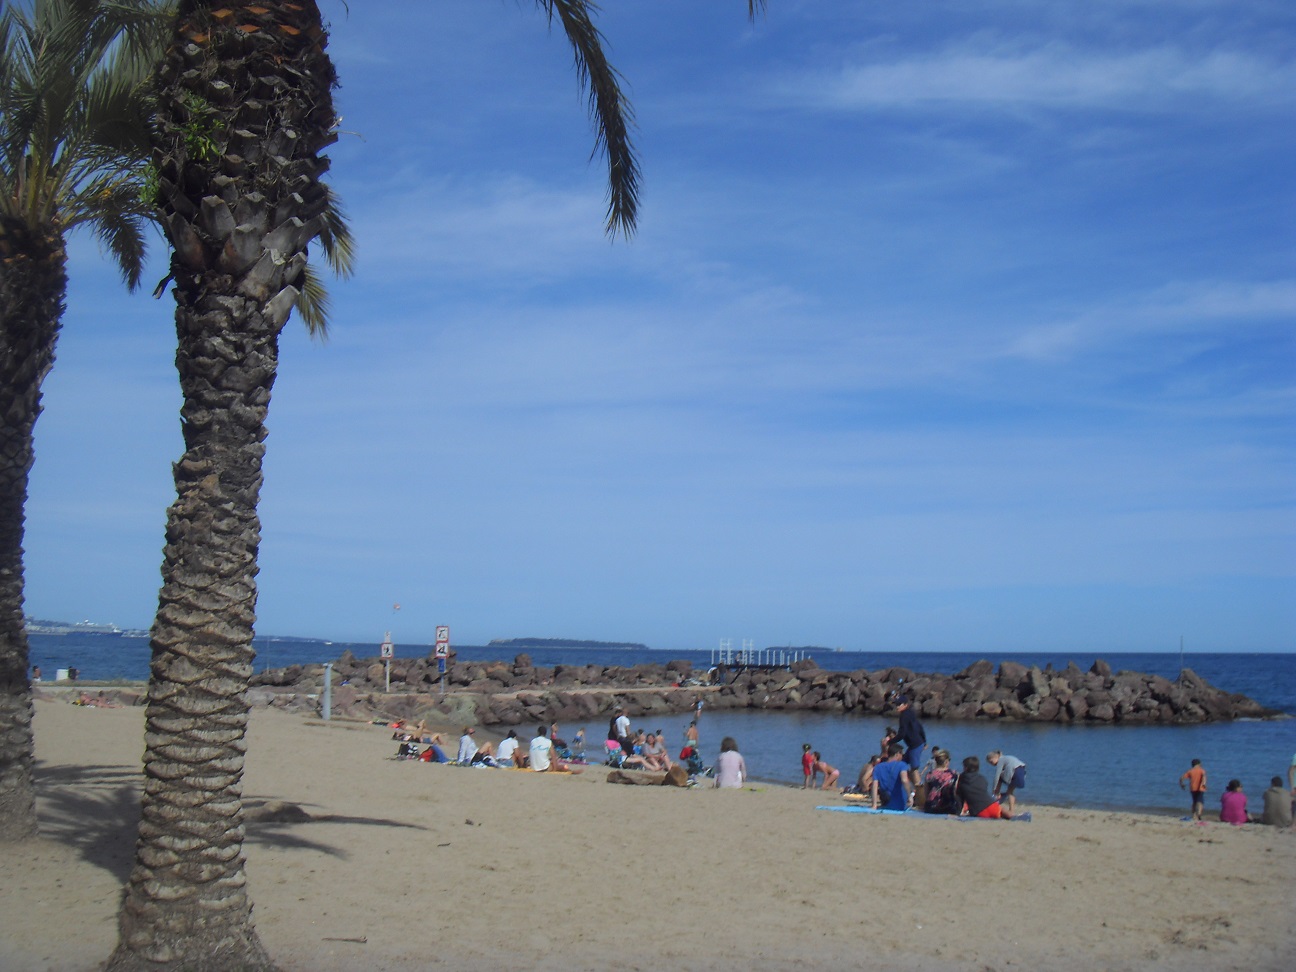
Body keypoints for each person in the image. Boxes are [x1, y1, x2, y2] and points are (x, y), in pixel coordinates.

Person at [892, 696, 927, 787]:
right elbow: (920, 727)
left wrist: (891, 742)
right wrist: (924, 741)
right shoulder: (910, 713)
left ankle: (919, 792)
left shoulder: (904, 715)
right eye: (896, 704)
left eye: (899, 704)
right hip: (914, 745)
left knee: (914, 769)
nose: (897, 706)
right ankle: (911, 787)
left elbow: (902, 734)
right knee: (902, 764)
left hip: (915, 745)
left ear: (906, 705)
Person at [870, 745, 912, 810]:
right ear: (897, 754)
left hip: (886, 803)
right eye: (902, 754)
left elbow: (874, 786)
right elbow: (904, 780)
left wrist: (874, 805)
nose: (902, 756)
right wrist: (910, 796)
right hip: (900, 805)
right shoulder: (902, 765)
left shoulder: (878, 767)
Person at [986, 750, 1027, 815]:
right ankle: (1010, 808)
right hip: (1021, 771)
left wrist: (994, 789)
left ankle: (996, 795)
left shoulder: (1001, 760)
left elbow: (997, 775)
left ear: (996, 757)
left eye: (991, 762)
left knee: (1000, 780)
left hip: (1015, 771)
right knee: (1010, 792)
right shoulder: (1006, 758)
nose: (992, 764)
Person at [922, 749, 959, 815]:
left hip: (931, 807)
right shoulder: (954, 774)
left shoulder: (929, 774)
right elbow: (955, 792)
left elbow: (926, 793)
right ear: (946, 762)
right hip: (948, 807)